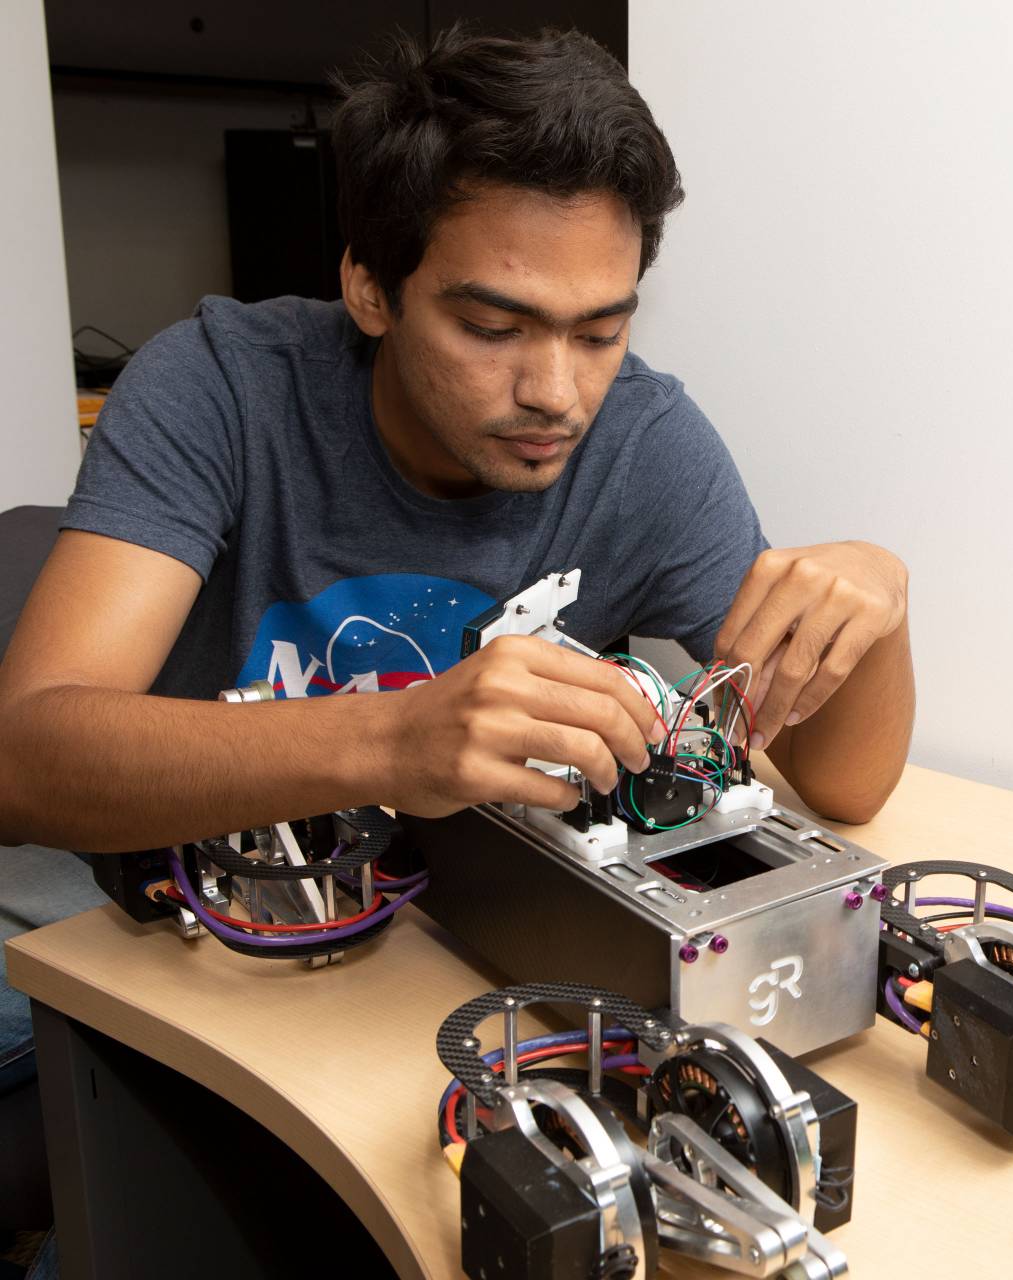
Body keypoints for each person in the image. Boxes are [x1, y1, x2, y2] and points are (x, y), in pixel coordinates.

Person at [0, 23, 914, 1231]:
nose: (558, 391)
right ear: (370, 287)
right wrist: (390, 741)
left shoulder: (646, 445)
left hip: (436, 980)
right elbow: (26, 758)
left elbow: (842, 787)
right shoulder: (215, 387)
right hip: (159, 942)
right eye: (493, 327)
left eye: (601, 329)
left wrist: (882, 604)